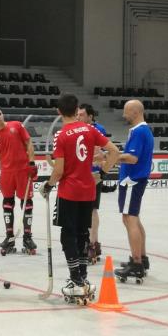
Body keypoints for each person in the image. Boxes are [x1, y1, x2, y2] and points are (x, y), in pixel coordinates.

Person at [39, 94, 119, 304]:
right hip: (88, 191)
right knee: (84, 232)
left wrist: (47, 186)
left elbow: (59, 169)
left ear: (59, 112)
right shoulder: (90, 129)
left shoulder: (61, 135)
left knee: (68, 234)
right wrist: (102, 175)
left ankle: (75, 278)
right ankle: (82, 276)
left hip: (70, 192)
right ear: (77, 111)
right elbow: (114, 151)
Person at [0, 106, 38, 255]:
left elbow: (29, 143)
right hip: (7, 174)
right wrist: (3, 170)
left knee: (27, 203)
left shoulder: (16, 125)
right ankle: (9, 237)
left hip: (23, 171)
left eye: (0, 113)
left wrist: (32, 163)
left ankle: (27, 237)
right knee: (7, 203)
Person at [114, 100, 154, 283]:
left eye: (127, 111)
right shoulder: (143, 130)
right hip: (136, 180)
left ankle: (137, 263)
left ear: (136, 112)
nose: (124, 115)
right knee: (134, 219)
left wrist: (112, 157)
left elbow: (131, 158)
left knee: (129, 218)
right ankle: (142, 258)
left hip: (132, 181)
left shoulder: (139, 132)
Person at [76, 104, 107, 264]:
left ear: (90, 116)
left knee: (92, 209)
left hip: (93, 174)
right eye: (78, 114)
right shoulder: (77, 129)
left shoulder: (98, 128)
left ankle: (93, 243)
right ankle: (83, 241)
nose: (79, 117)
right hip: (79, 175)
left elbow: (97, 152)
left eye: (82, 114)